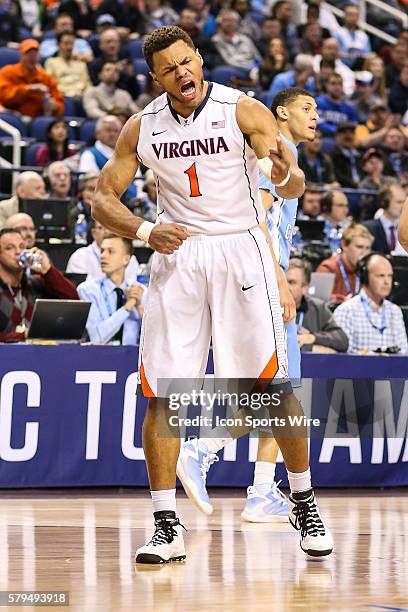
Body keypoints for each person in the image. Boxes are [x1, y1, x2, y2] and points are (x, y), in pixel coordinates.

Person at [92, 26, 332, 562]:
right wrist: (142, 231)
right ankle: (164, 524)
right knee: (162, 394)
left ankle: (303, 499)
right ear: (154, 78)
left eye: (187, 61)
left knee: (269, 388)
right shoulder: (142, 126)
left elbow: (291, 185)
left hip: (240, 248)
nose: (182, 73)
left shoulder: (242, 110)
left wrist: (285, 169)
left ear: (200, 60)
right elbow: (102, 200)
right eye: (169, 68)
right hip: (177, 252)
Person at [178, 87, 322, 524]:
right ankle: (201, 447)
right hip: (259, 275)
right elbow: (255, 220)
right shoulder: (271, 156)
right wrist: (279, 280)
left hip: (255, 276)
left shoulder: (287, 159)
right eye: (306, 108)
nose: (315, 115)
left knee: (279, 392)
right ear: (281, 113)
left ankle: (261, 490)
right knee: (280, 394)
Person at [0, 228, 78, 342]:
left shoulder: (36, 284)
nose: (18, 252)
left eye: (22, 247)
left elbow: (73, 300)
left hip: (38, 355)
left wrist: (48, 270)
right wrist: (22, 336)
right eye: (9, 248)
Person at [334, 253, 408, 354]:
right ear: (365, 277)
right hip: (358, 369)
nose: (387, 282)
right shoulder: (346, 312)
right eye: (381, 276)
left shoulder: (395, 311)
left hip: (392, 369)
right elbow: (342, 356)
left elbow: (403, 353)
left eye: (389, 276)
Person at [78, 234, 145, 344]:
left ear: (126, 259)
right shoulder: (88, 290)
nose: (103, 256)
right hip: (101, 357)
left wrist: (139, 308)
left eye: (110, 251)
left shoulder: (140, 291)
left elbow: (155, 338)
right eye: (102, 251)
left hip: (133, 357)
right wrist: (127, 307)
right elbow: (96, 338)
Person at [286, 258, 348, 353]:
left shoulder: (317, 307)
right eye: (282, 282)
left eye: (291, 282)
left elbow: (342, 340)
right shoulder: (269, 308)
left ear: (305, 288)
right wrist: (310, 348)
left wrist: (313, 338)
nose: (285, 287)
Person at [0, 39, 64, 118]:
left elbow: (59, 102)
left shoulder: (45, 77)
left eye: (35, 54)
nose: (32, 57)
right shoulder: (8, 72)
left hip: (37, 119)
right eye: (28, 54)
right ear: (20, 55)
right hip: (12, 116)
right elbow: (4, 96)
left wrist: (54, 106)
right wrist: (28, 89)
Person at [317, 223, 373, 306]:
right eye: (359, 247)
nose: (364, 253)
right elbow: (318, 299)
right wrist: (341, 301)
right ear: (344, 245)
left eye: (367, 248)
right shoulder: (327, 268)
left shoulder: (367, 270)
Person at [66, 219, 139, 280]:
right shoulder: (80, 256)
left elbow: (131, 286)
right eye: (101, 228)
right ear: (93, 233)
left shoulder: (130, 258)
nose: (106, 231)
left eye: (110, 227)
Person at [44, 30, 92, 98]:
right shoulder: (51, 62)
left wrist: (84, 93)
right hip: (64, 96)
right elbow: (51, 84)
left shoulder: (81, 64)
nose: (69, 47)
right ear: (58, 45)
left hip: (83, 95)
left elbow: (88, 84)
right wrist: (71, 93)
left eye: (71, 43)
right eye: (66, 43)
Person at [363, 184, 405, 254]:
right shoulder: (367, 228)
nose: (403, 206)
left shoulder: (405, 229)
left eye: (404, 202)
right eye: (399, 202)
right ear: (384, 203)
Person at [330, 122, 362, 188]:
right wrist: (357, 185)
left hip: (361, 190)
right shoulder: (332, 155)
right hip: (344, 190)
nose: (348, 135)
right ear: (337, 136)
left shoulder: (359, 156)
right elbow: (338, 176)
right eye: (344, 132)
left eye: (351, 132)